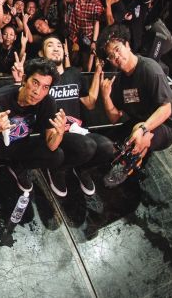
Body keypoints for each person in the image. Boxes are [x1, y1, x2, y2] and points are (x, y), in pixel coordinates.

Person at [28, 36, 115, 196]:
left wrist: (97, 73)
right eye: (50, 45)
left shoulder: (74, 73)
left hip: (77, 131)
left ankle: (82, 169)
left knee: (108, 147)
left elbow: (90, 103)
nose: (56, 48)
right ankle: (57, 169)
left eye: (59, 45)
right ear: (41, 53)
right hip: (53, 135)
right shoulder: (40, 79)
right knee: (87, 146)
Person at [0, 58, 66, 193]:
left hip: (22, 145)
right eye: (35, 83)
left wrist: (60, 133)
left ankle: (20, 167)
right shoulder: (1, 97)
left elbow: (51, 146)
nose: (38, 92)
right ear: (24, 79)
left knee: (56, 155)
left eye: (45, 87)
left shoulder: (48, 102)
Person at [98, 24, 172, 164]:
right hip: (139, 121)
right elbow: (114, 118)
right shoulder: (119, 81)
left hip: (164, 126)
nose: (116, 56)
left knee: (136, 136)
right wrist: (106, 97)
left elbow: (166, 109)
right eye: (111, 56)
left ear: (127, 45)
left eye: (117, 49)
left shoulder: (150, 69)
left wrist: (142, 129)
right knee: (106, 144)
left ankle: (133, 163)